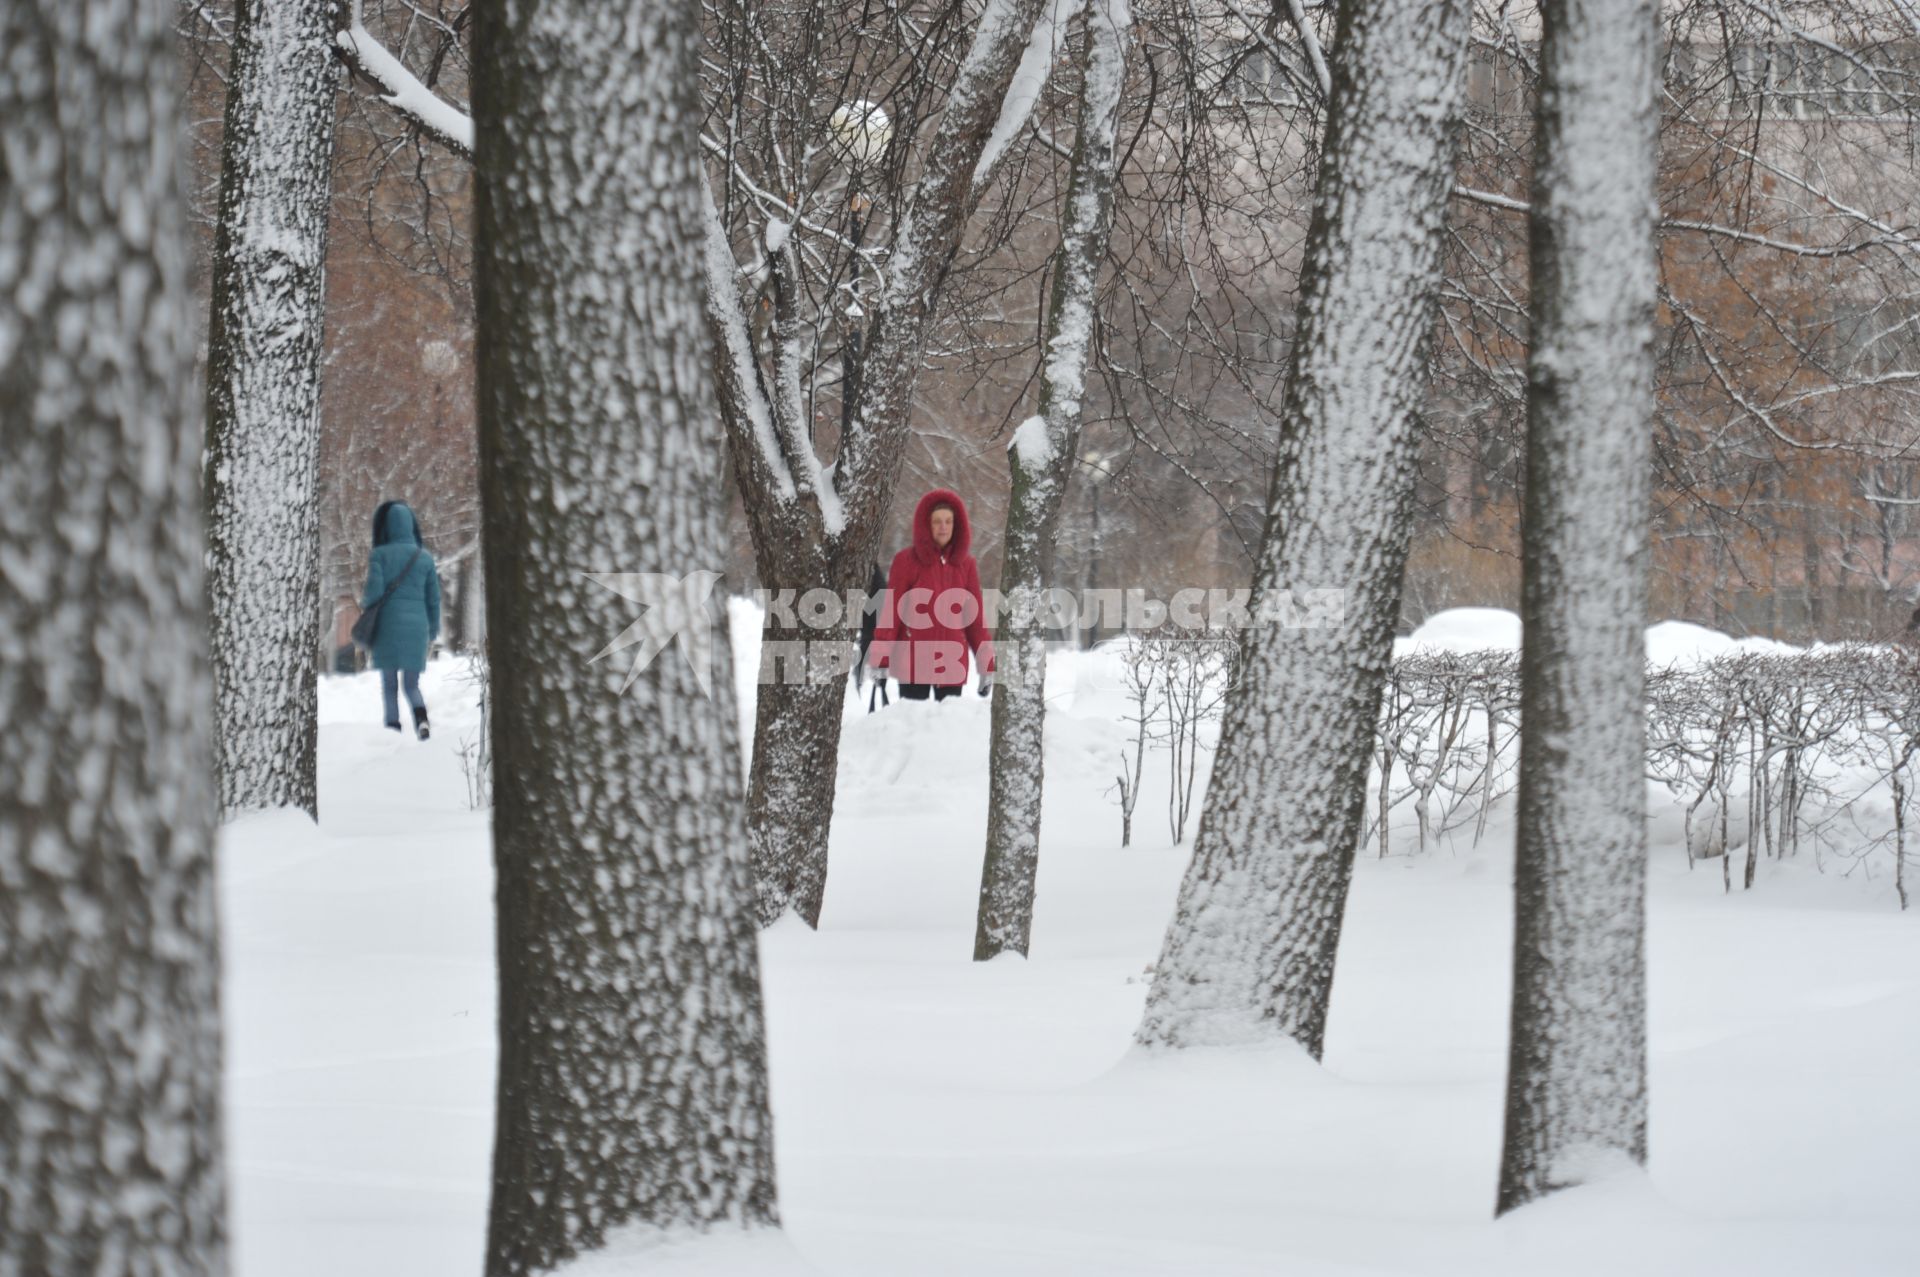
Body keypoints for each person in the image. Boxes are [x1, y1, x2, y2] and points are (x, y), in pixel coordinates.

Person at [869, 488, 994, 701]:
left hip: (951, 666)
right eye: (937, 521)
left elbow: (975, 621)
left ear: (957, 525)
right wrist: (880, 659)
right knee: (914, 730)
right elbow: (892, 614)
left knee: (945, 730)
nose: (943, 527)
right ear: (926, 525)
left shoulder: (967, 565)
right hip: (912, 665)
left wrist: (986, 666)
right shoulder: (906, 561)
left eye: (948, 521)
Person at [362, 499, 441, 739]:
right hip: (416, 626)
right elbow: (434, 599)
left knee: (389, 684)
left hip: (387, 625)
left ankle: (393, 728)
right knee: (411, 684)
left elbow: (373, 594)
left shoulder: (379, 555)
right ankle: (421, 720)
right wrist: (433, 628)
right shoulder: (424, 558)